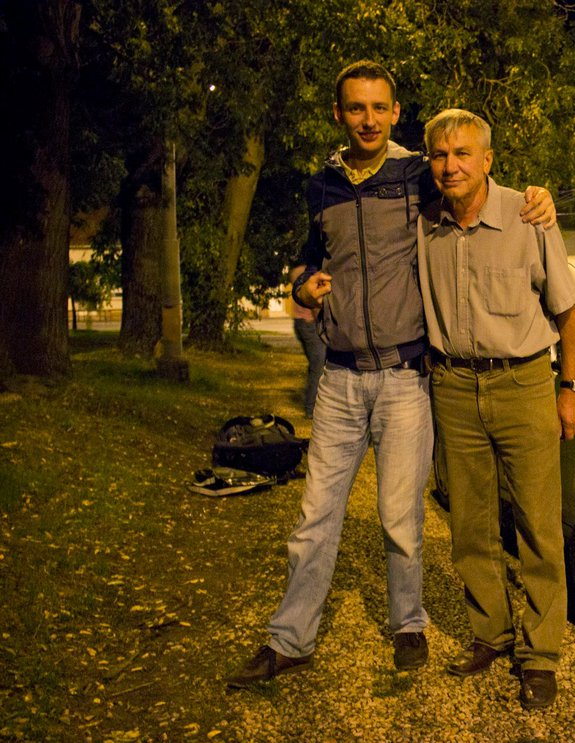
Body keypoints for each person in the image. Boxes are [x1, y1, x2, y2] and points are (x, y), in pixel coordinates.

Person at [227, 63, 555, 688]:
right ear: (339, 114)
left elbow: (473, 189)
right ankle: (289, 640)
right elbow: (306, 256)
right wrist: (300, 282)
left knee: (400, 517)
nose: (368, 120)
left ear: (396, 112)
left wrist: (536, 199)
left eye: (379, 108)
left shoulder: (415, 174)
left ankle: (408, 623)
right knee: (314, 517)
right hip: (340, 378)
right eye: (356, 109)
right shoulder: (320, 184)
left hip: (406, 377)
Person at [417, 109, 575, 710]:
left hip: (523, 387)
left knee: (538, 526)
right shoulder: (424, 221)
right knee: (470, 527)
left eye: (463, 153)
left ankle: (539, 654)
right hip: (454, 388)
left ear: (488, 159)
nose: (450, 165)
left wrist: (570, 388)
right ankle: (490, 631)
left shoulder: (527, 214)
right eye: (439, 154)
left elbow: (568, 312)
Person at [288, 264, 326, 418]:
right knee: (318, 364)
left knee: (315, 365)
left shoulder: (296, 271)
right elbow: (314, 303)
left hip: (299, 323)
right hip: (309, 324)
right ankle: (311, 408)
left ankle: (313, 403)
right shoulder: (312, 273)